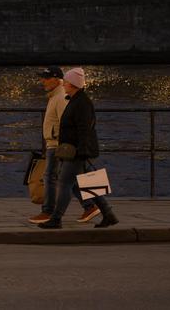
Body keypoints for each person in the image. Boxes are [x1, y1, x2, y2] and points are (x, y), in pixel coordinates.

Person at [39, 68, 118, 229]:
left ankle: (56, 218)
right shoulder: (75, 100)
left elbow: (84, 129)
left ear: (73, 84)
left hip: (77, 151)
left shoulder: (82, 103)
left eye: (67, 82)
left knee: (65, 183)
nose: (64, 84)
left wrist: (82, 151)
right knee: (88, 182)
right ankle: (109, 214)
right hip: (76, 149)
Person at [28, 67, 100, 224]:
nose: (42, 81)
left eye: (46, 78)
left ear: (57, 79)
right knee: (70, 179)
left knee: (51, 177)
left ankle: (49, 212)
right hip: (59, 144)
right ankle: (93, 207)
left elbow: (68, 123)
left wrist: (62, 144)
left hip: (59, 145)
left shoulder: (61, 96)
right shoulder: (56, 95)